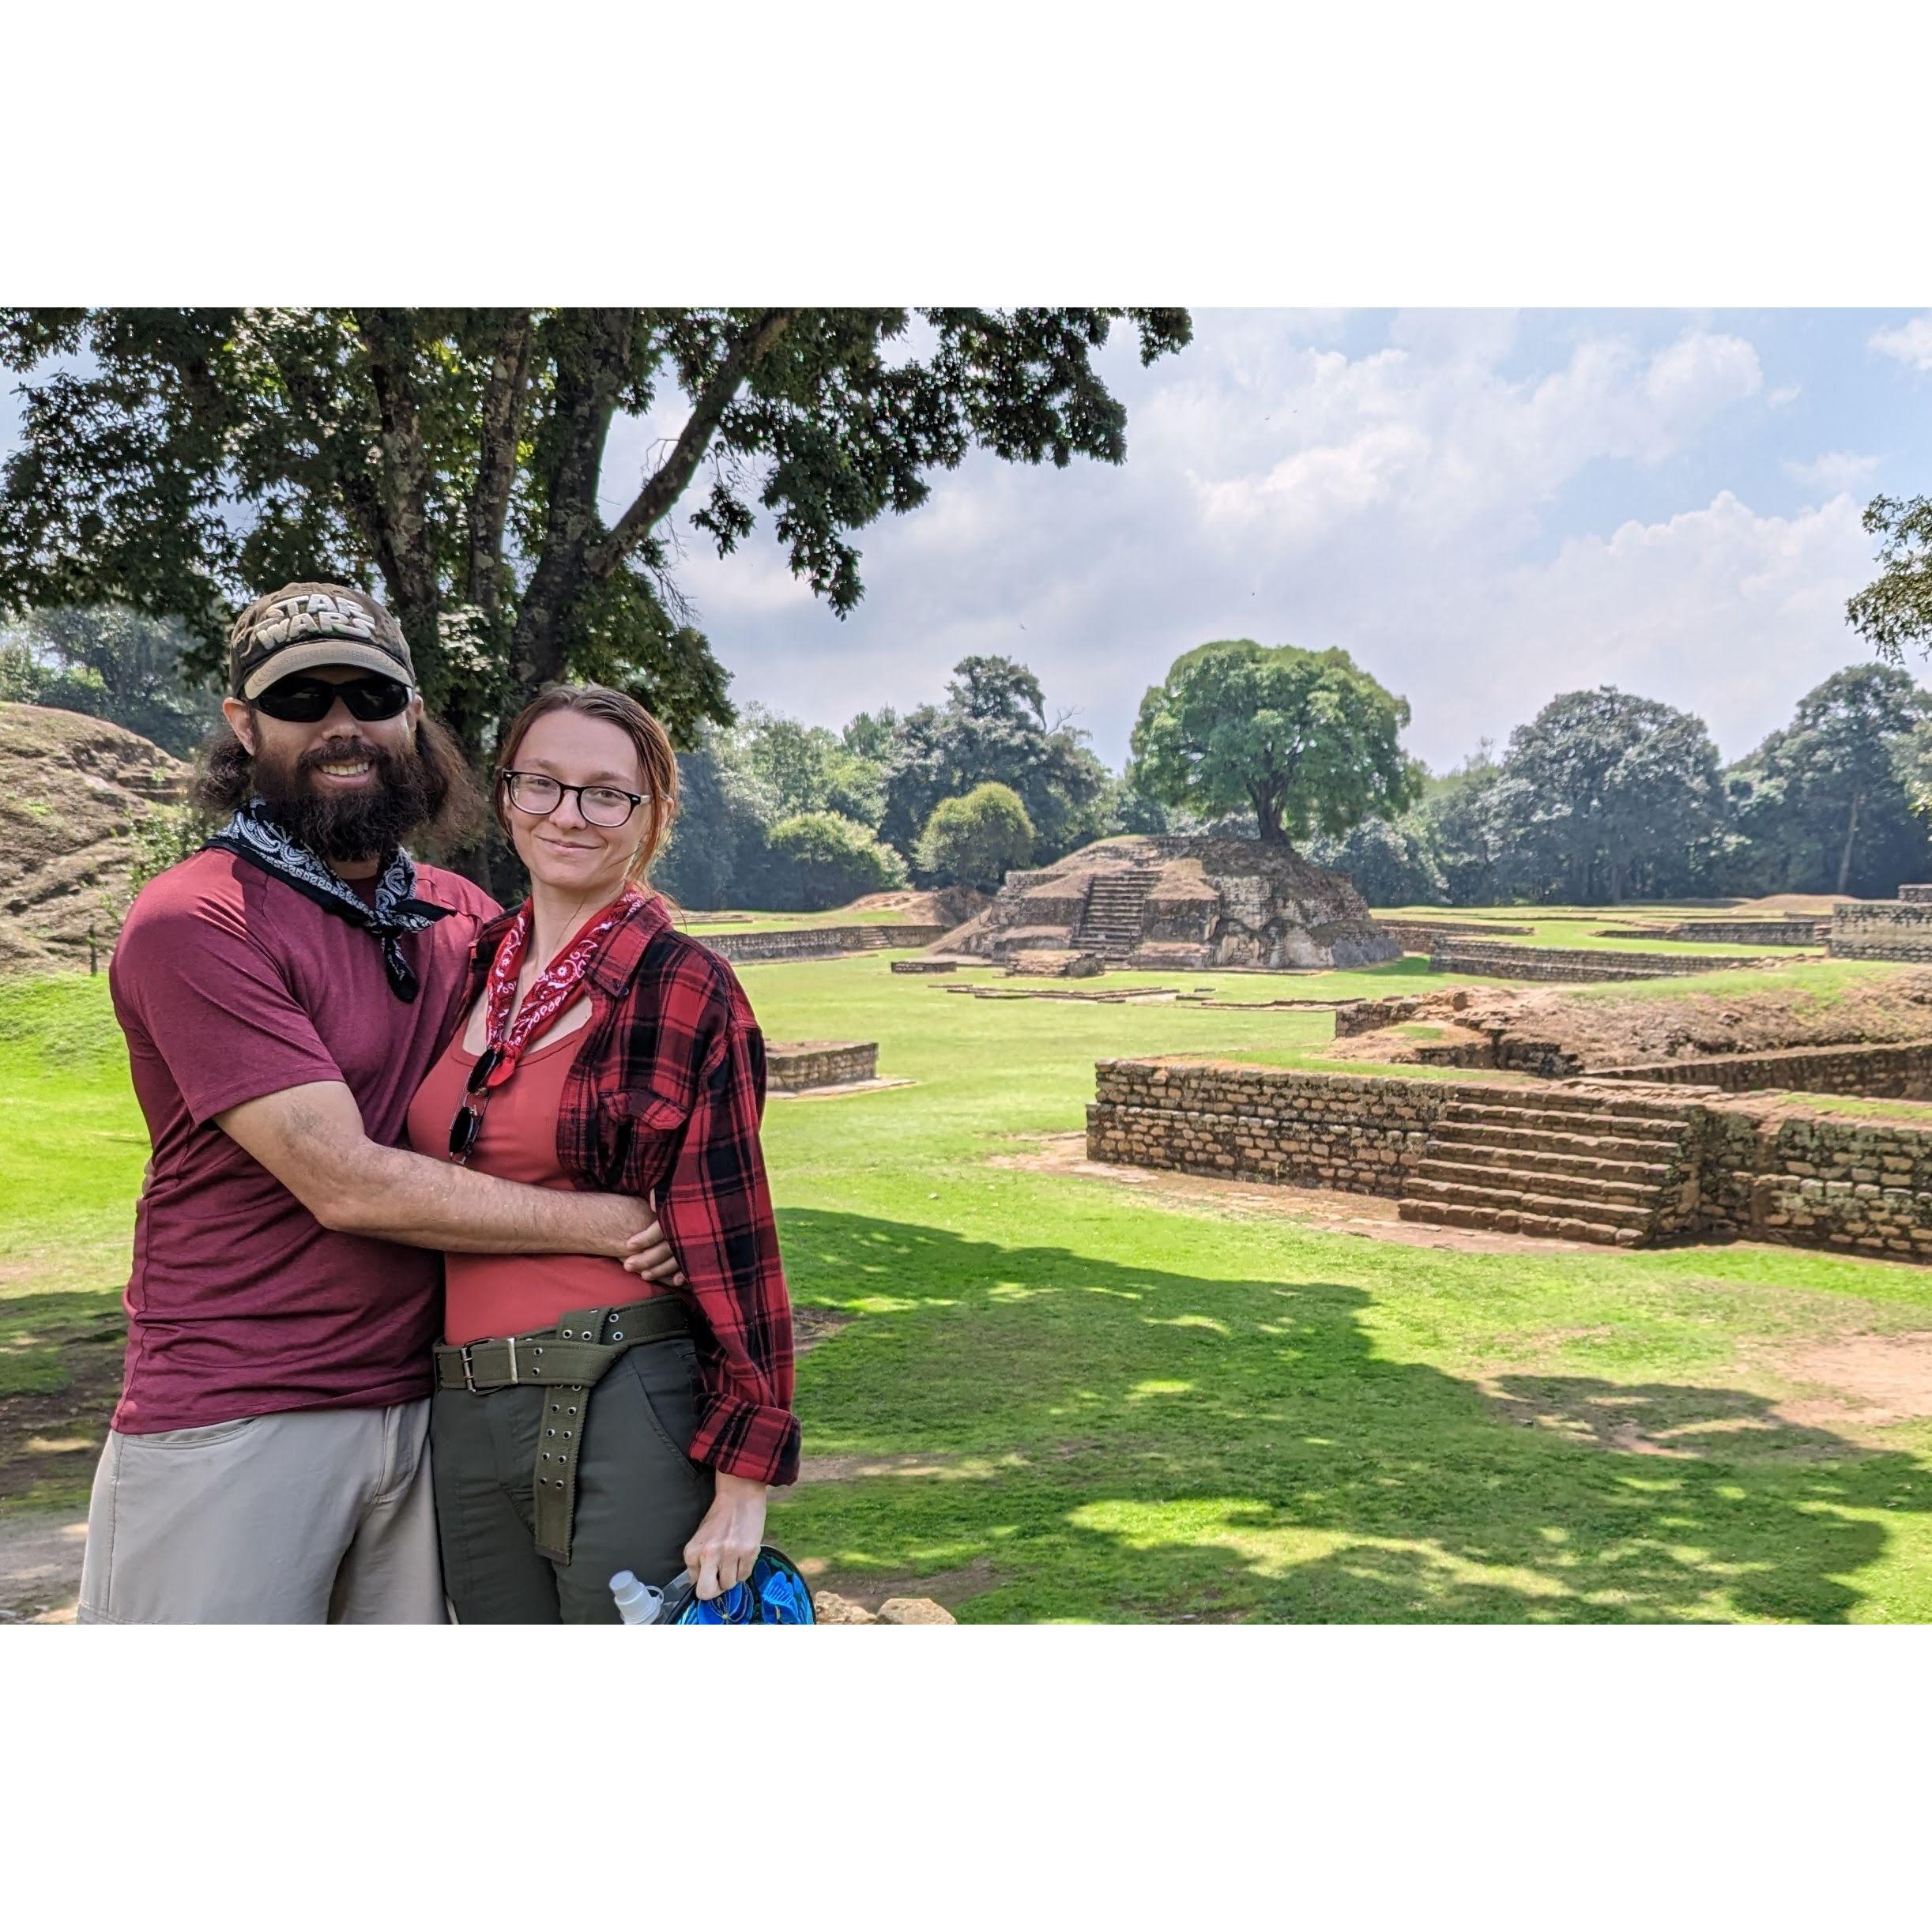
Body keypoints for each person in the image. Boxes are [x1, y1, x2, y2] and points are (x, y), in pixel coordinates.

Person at [77, 584, 677, 1625]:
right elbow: (343, 1182)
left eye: (372, 693)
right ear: (244, 725)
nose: (341, 723)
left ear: (413, 714)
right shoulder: (198, 918)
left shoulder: (461, 915)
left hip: (434, 1405)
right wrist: (619, 1223)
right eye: (303, 697)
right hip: (241, 1410)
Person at [407, 683, 798, 1623]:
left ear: (651, 813)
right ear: (506, 797)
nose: (568, 815)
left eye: (605, 793)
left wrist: (745, 1483)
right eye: (542, 784)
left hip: (621, 1394)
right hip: (462, 1401)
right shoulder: (461, 970)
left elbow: (734, 1237)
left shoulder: (683, 987)